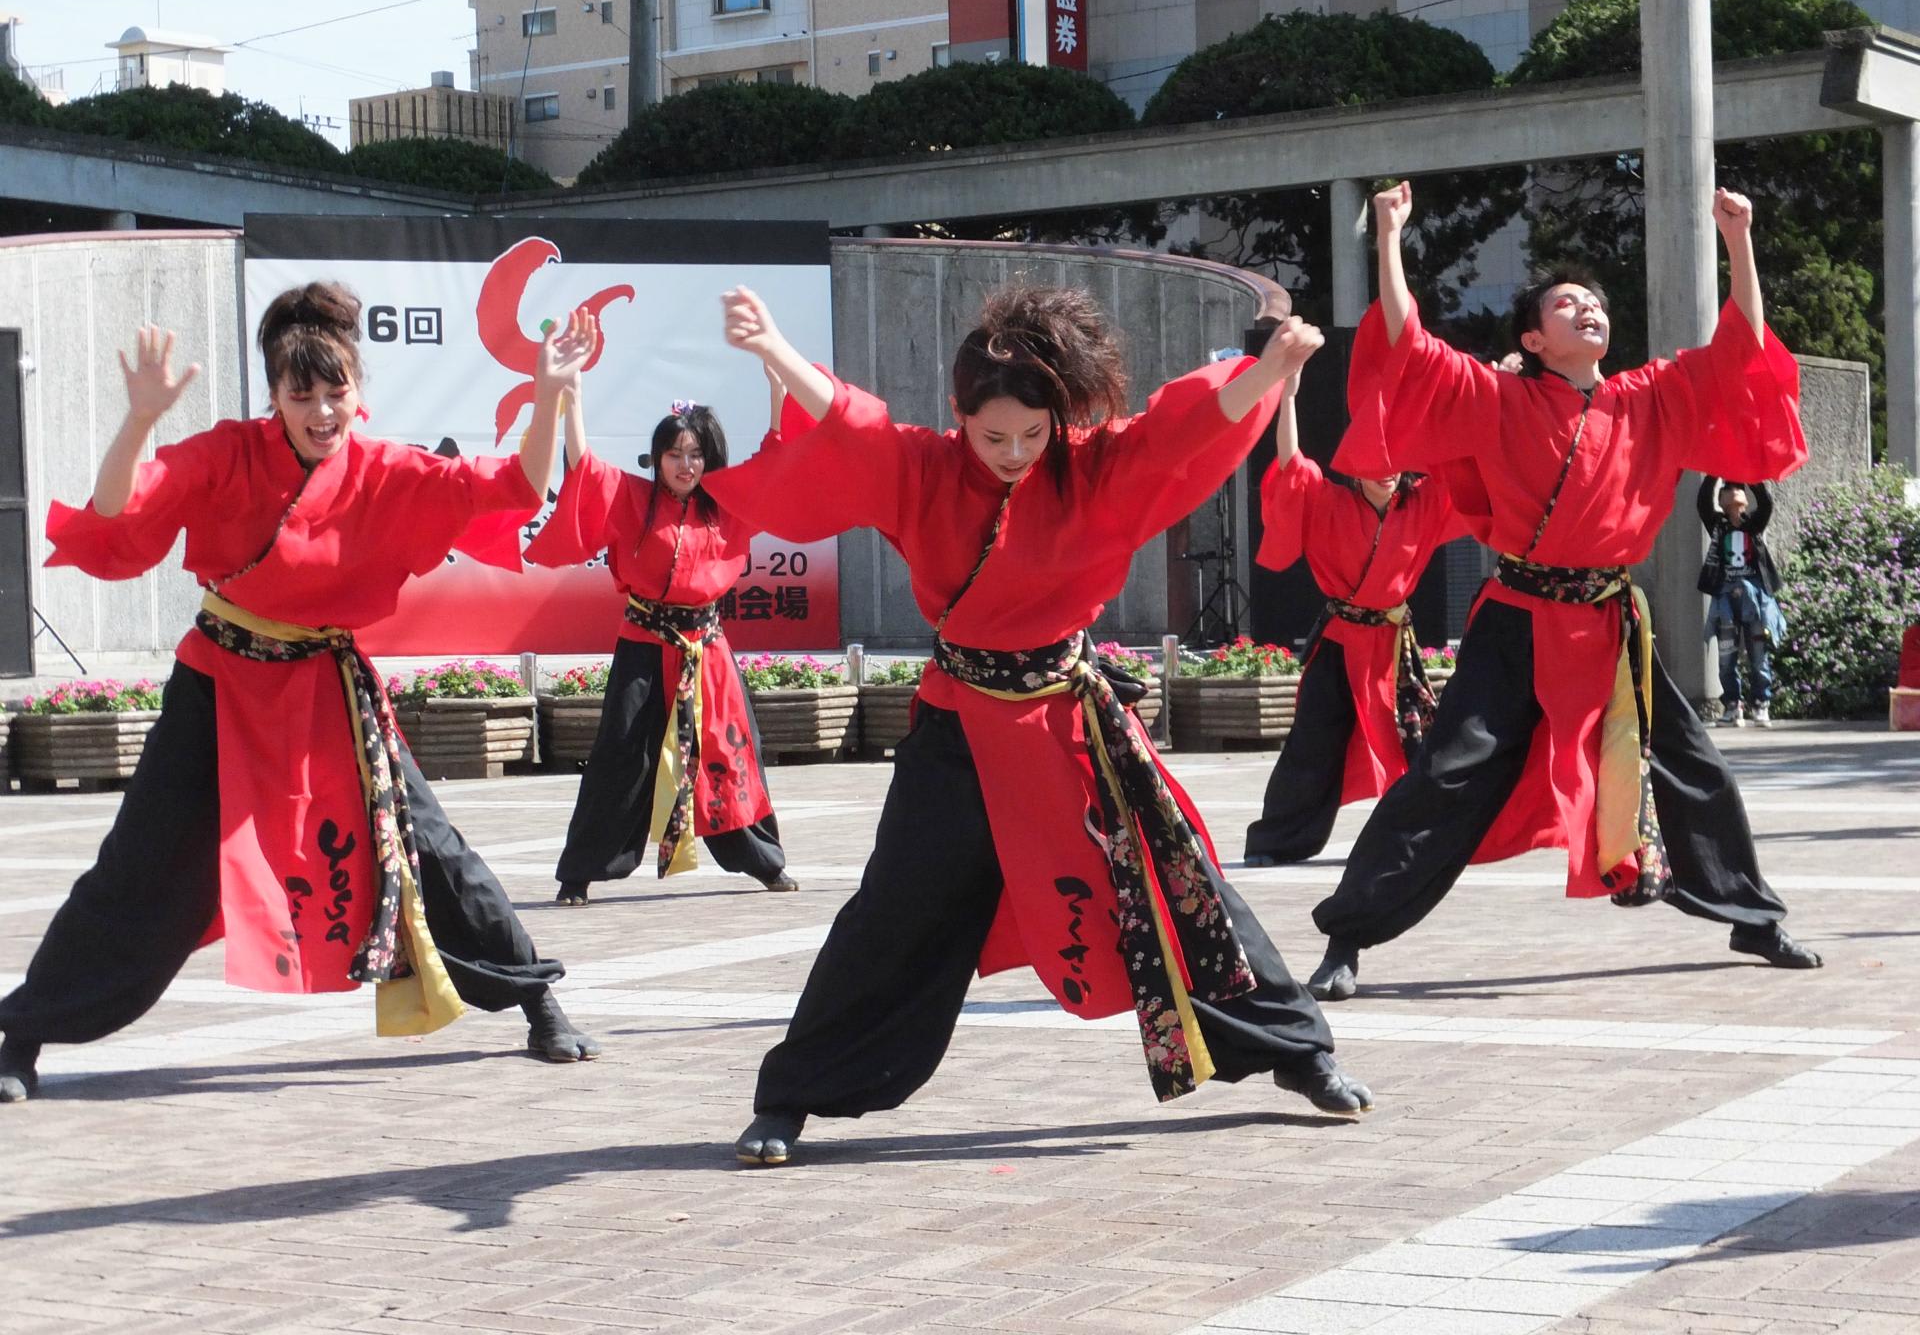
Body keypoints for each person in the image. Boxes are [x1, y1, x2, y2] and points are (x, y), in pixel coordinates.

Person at [704, 282, 1374, 1168]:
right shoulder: (923, 470)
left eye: (1032, 433)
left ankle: (1299, 1052)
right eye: (993, 436)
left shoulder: (1095, 469)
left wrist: (1271, 370)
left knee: (1183, 890)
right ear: (959, 416)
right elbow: (850, 422)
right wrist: (772, 347)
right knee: (895, 911)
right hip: (959, 729)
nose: (1014, 452)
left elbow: (1181, 430)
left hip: (1071, 724)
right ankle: (794, 1097)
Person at [0, 285, 602, 1105]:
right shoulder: (226, 455)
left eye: (337, 391)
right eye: (301, 393)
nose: (323, 411)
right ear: (274, 394)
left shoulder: (386, 470)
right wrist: (141, 418)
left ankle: (534, 994)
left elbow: (514, 489)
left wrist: (547, 392)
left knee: (428, 847)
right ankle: (24, 1031)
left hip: (328, 694)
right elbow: (117, 510)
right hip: (218, 686)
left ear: (361, 389)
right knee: (142, 866)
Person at [1303, 181, 1822, 1003]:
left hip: (1612, 620)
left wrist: (1740, 242)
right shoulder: (1498, 398)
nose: (1587, 309)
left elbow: (1744, 351)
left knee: (1697, 770)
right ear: (1534, 340)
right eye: (1566, 303)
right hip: (1519, 618)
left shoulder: (1651, 395)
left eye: (1594, 303)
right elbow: (1406, 345)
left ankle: (1750, 915)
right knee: (1446, 775)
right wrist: (1390, 240)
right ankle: (1348, 937)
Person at [524, 372, 795, 903]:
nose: (685, 465)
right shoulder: (632, 498)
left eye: (695, 454)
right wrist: (572, 402)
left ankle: (763, 861)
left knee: (729, 753)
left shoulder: (726, 506)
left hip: (706, 651)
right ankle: (581, 872)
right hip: (644, 646)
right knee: (622, 755)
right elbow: (585, 470)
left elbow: (774, 465)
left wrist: (777, 394)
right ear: (657, 458)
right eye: (674, 454)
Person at [1243, 349, 1469, 867]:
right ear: (1355, 469)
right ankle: (1278, 840)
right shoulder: (1328, 503)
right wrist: (1289, 397)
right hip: (1342, 641)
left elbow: (1465, 461)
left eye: (1392, 466)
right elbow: (1289, 464)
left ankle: (1421, 838)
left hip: (1393, 646)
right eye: (1373, 467)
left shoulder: (1424, 504)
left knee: (1416, 740)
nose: (1385, 475)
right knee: (1312, 744)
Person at [1696, 476, 1784, 729]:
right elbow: (1703, 501)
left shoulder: (1753, 525)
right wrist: (1713, 474)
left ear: (1745, 500)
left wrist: (1750, 476)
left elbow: (1766, 503)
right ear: (1721, 500)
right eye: (1728, 490)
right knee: (1726, 656)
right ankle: (1733, 706)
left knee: (1758, 655)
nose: (1733, 493)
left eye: (1738, 489)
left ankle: (1761, 704)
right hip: (1725, 600)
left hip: (1753, 600)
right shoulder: (1717, 525)